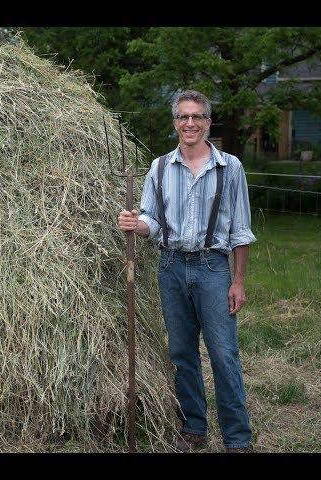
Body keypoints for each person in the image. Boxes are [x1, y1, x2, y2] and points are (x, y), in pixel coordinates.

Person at [117, 90, 256, 453]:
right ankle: (194, 428)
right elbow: (152, 221)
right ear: (175, 122)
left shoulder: (230, 167)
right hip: (172, 267)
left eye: (197, 117)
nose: (189, 123)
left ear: (208, 123)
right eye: (183, 117)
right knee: (181, 353)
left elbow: (241, 230)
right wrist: (136, 223)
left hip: (213, 268)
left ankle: (237, 438)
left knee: (224, 353)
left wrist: (238, 281)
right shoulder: (160, 167)